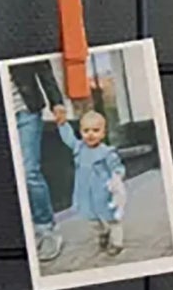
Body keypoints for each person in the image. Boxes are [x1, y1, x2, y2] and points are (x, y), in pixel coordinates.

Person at [49, 105, 129, 257]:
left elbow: (117, 167)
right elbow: (68, 139)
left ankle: (117, 243)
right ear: (81, 132)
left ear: (103, 133)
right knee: (91, 217)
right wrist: (62, 124)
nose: (90, 134)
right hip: (84, 192)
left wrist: (117, 178)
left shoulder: (106, 152)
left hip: (103, 191)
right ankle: (103, 232)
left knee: (111, 218)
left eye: (95, 130)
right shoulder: (79, 148)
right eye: (86, 131)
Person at [8, 58, 64, 262]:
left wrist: (56, 102)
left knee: (28, 172)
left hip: (25, 110)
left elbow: (42, 65)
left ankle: (46, 230)